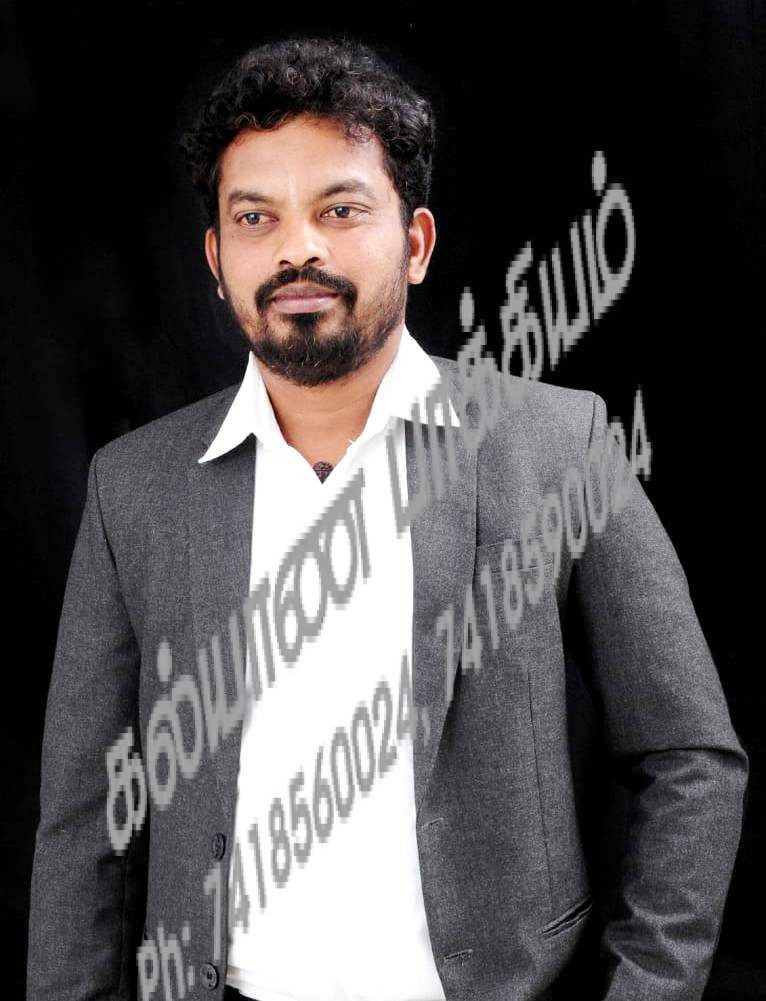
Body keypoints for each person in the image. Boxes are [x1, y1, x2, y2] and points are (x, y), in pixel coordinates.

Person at [27, 34, 748, 1001]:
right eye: (255, 216)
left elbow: (689, 756)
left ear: (415, 243)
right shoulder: (134, 488)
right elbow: (85, 820)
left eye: (340, 209)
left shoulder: (559, 445)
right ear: (216, 259)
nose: (298, 248)